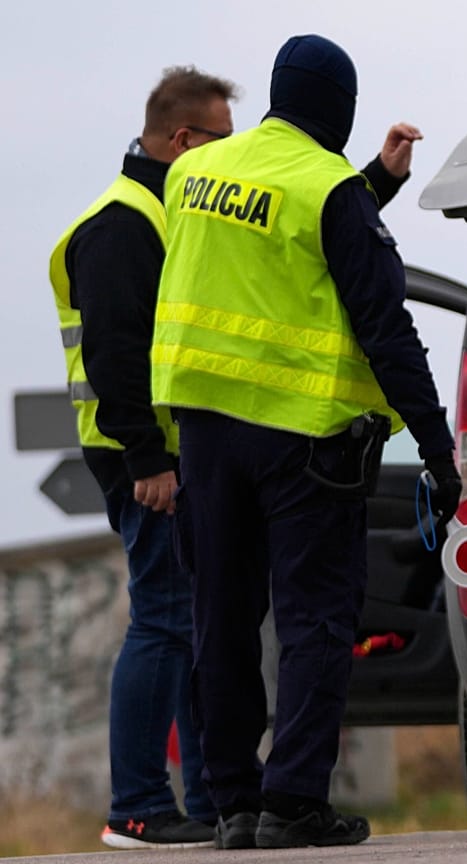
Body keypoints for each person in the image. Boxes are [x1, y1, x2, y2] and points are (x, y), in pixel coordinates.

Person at [149, 34, 462, 850]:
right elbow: (384, 322)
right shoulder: (328, 187)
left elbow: (279, 245)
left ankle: (231, 804)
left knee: (221, 619)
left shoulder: (193, 173)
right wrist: (437, 446)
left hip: (206, 434)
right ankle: (292, 802)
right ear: (341, 108)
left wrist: (377, 185)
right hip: (305, 444)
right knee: (315, 620)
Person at [47, 65, 236, 851]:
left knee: (186, 623)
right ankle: (136, 806)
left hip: (162, 452)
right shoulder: (123, 225)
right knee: (162, 620)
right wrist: (150, 459)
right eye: (222, 142)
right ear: (183, 140)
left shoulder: (165, 214)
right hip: (140, 456)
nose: (232, 158)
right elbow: (115, 357)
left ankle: (205, 800)